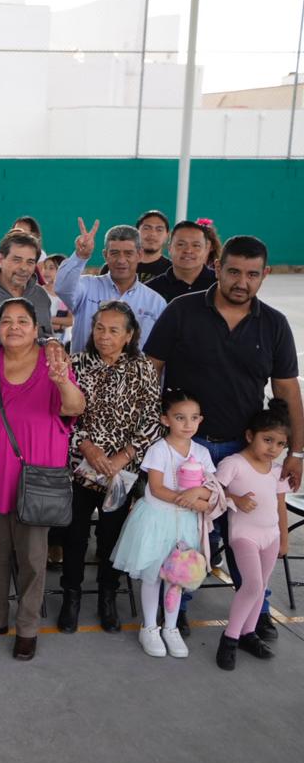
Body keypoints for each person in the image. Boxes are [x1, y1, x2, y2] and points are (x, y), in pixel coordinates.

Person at [144, 234, 301, 640]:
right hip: (186, 451)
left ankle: (256, 611)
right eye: (233, 271)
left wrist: (296, 452)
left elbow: (287, 390)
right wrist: (148, 438)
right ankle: (176, 607)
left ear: (265, 274)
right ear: (217, 267)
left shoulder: (274, 325)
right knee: (188, 535)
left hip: (245, 452)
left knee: (245, 536)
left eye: (252, 274)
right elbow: (150, 371)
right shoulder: (182, 311)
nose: (241, 282)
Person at [0, 299, 84, 661]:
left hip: (35, 480)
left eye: (22, 321)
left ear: (36, 328)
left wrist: (62, 383)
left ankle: (27, 627)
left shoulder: (52, 363)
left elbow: (75, 408)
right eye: (6, 321)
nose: (13, 327)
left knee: (31, 557)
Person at [59, 301, 162, 634]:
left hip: (121, 473)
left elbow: (152, 420)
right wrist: (86, 447)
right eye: (99, 328)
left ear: (129, 335)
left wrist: (123, 457)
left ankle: (108, 595)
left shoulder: (143, 368)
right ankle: (71, 596)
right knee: (74, 535)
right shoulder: (76, 363)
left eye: (114, 330)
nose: (104, 336)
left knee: (111, 537)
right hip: (80, 468)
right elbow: (63, 414)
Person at [111, 389, 219, 659]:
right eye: (180, 417)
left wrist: (199, 496)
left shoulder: (202, 452)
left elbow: (212, 487)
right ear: (165, 419)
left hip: (186, 524)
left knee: (177, 575)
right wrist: (190, 501)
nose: (188, 424)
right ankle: (149, 626)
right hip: (157, 520)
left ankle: (171, 627)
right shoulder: (158, 450)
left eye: (194, 417)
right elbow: (157, 488)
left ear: (201, 420)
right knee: (152, 575)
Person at [214, 399, 291, 670]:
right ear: (249, 436)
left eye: (280, 444)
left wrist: (283, 538)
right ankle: (229, 639)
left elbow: (280, 505)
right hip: (244, 535)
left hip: (270, 536)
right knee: (253, 585)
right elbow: (213, 491)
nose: (273, 449)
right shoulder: (233, 463)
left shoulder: (277, 471)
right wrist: (235, 498)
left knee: (261, 586)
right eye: (267, 440)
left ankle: (248, 633)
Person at [56, 220, 166, 354]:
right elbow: (62, 288)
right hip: (83, 367)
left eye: (128, 253)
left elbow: (160, 351)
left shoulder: (156, 302)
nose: (121, 260)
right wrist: (80, 256)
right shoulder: (86, 287)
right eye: (114, 253)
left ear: (139, 255)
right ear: (105, 255)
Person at [0, 231, 52, 337]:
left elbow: (46, 337)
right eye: (17, 260)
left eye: (30, 262)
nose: (24, 268)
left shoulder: (40, 295)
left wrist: (51, 342)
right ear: (0, 260)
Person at [147, 220, 216, 304]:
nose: (188, 250)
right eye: (181, 244)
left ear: (206, 249)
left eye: (196, 245)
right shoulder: (150, 290)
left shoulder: (219, 284)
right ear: (169, 248)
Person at [99, 210, 170, 283]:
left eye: (159, 229)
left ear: (167, 235)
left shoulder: (171, 270)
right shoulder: (113, 267)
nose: (152, 233)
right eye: (146, 228)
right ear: (136, 232)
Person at [39, 255, 73, 345]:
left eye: (51, 268)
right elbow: (37, 319)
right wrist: (60, 324)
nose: (46, 271)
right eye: (45, 268)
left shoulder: (68, 294)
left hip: (63, 341)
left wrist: (50, 322)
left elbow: (72, 320)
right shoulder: (39, 291)